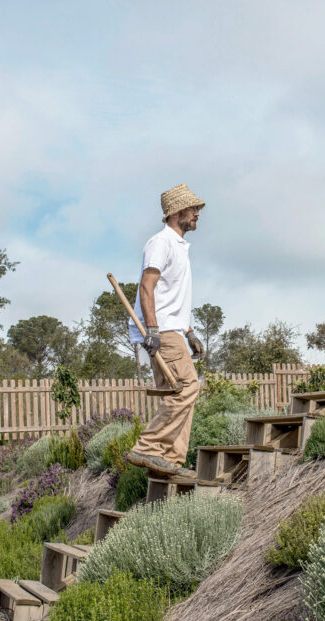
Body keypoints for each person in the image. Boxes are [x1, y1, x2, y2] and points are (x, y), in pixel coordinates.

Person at [125, 183, 207, 478]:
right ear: (176, 212)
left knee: (180, 392)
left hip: (173, 330)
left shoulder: (180, 247)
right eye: (193, 209)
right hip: (162, 333)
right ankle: (148, 447)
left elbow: (171, 299)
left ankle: (168, 462)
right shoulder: (161, 242)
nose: (198, 213)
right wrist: (153, 331)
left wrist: (190, 332)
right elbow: (147, 287)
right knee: (188, 387)